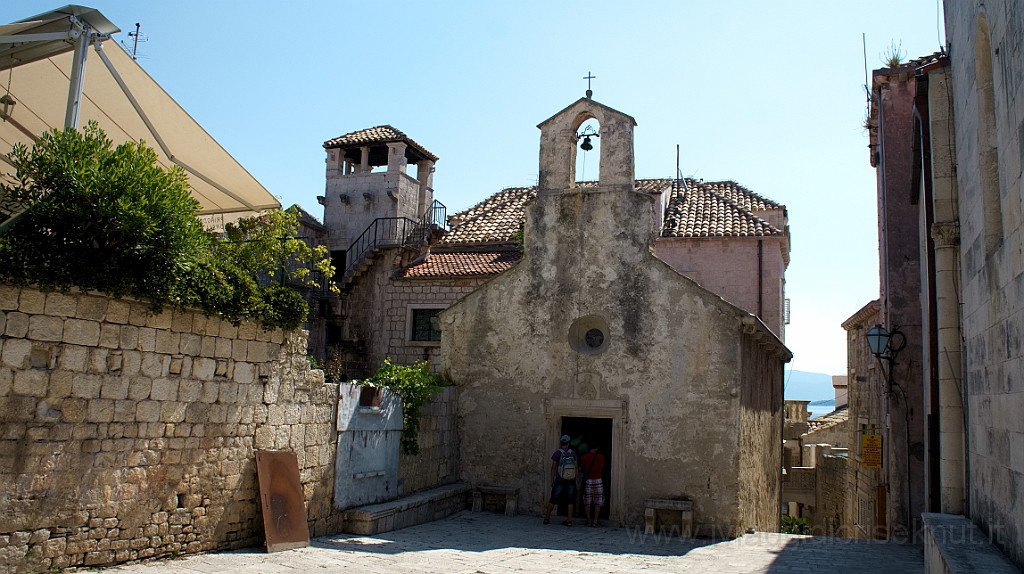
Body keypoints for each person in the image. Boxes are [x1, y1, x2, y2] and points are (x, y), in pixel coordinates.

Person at [543, 435, 578, 526]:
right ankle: (569, 520)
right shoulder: (573, 453)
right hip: (571, 480)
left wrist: (552, 480)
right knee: (570, 500)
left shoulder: (557, 453)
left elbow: (553, 468)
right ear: (569, 443)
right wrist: (576, 480)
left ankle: (547, 518)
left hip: (559, 480)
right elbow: (576, 467)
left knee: (553, 499)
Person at [580, 444, 606, 527]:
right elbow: (603, 465)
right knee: (598, 502)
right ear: (596, 448)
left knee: (587, 502)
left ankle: (588, 521)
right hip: (598, 480)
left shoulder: (584, 457)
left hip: (588, 480)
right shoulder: (600, 457)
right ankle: (595, 521)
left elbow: (581, 468)